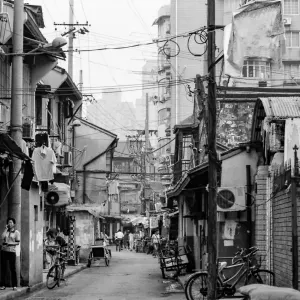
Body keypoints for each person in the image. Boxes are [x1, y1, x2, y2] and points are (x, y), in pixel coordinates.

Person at [0, 218, 20, 291]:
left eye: (11, 222)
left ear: (14, 224)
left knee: (12, 269)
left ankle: (14, 285)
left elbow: (17, 242)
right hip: (4, 251)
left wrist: (10, 243)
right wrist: (5, 229)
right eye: (8, 222)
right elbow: (2, 237)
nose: (10, 224)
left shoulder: (16, 232)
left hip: (12, 251)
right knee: (3, 269)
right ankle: (3, 285)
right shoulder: (6, 231)